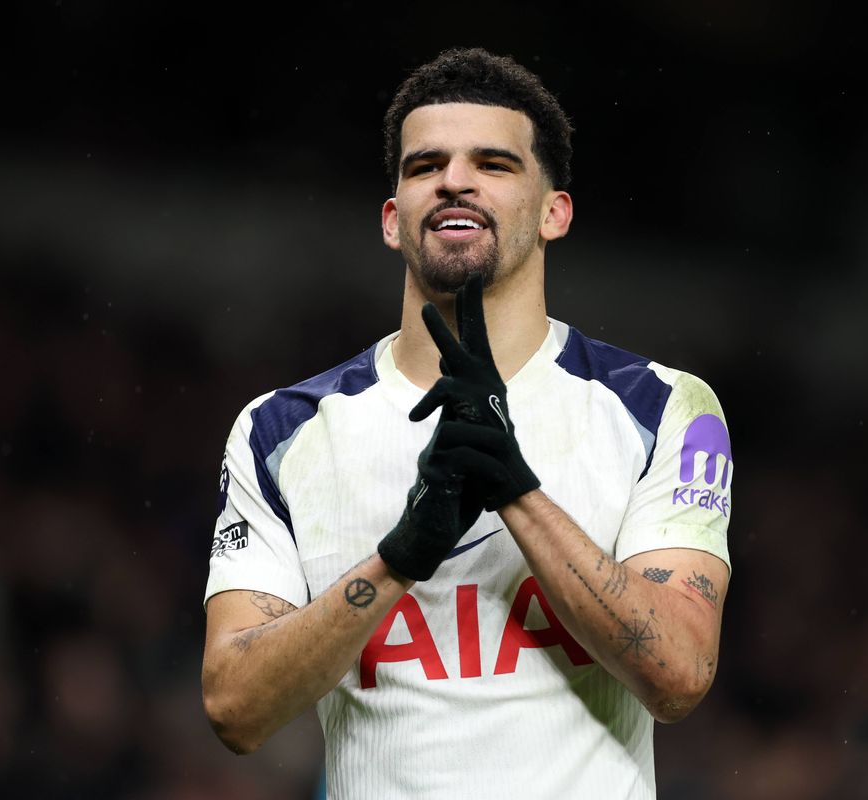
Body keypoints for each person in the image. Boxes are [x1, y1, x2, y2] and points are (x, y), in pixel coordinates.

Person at [202, 47, 734, 799]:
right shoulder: (280, 432)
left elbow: (679, 674)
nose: (454, 179)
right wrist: (399, 558)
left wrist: (513, 487)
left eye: (494, 163)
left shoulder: (662, 408)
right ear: (392, 220)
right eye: (425, 167)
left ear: (556, 211)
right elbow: (235, 708)